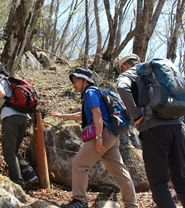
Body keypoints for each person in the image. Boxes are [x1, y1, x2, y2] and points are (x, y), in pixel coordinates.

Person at [117, 53, 185, 208]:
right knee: (181, 180)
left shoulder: (130, 73)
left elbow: (122, 87)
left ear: (124, 66)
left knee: (159, 184)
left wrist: (136, 116)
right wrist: (180, 117)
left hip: (154, 130)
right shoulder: (158, 71)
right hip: (177, 127)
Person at [50, 68, 138, 208]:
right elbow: (83, 115)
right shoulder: (95, 93)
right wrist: (61, 116)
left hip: (102, 134)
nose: (73, 84)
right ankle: (131, 205)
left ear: (85, 80)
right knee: (120, 172)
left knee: (79, 164)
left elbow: (97, 114)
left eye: (75, 80)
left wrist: (98, 138)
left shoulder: (90, 92)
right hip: (112, 136)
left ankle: (80, 201)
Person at [0, 60, 38, 189]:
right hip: (23, 118)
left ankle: (17, 184)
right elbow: (4, 100)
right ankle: (28, 172)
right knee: (14, 150)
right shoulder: (8, 80)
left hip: (10, 118)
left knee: (8, 153)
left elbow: (1, 94)